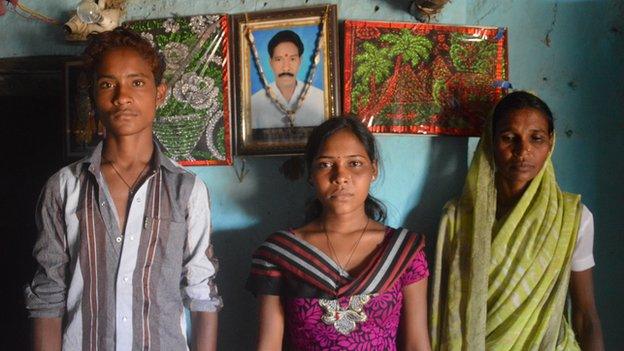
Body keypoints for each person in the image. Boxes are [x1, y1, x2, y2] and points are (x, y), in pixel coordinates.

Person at [24, 27, 222, 350]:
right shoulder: (63, 188)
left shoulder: (187, 190)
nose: (122, 96)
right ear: (93, 97)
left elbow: (202, 293)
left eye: (137, 82)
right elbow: (47, 295)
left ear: (160, 93)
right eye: (107, 84)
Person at [430, 91, 604, 350]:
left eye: (536, 138)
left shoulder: (573, 218)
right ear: (491, 142)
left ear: (550, 143)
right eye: (509, 138)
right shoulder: (457, 218)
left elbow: (585, 314)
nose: (523, 151)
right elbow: (444, 310)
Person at [247, 116, 431, 350]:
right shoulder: (280, 254)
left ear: (373, 170)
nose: (340, 176)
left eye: (354, 163)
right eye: (325, 164)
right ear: (311, 174)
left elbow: (417, 343)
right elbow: (268, 345)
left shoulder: (404, 251)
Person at [251, 30, 325, 129]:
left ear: (300, 61)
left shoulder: (320, 99)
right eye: (279, 59)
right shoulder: (255, 103)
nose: (286, 67)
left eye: (292, 59)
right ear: (270, 62)